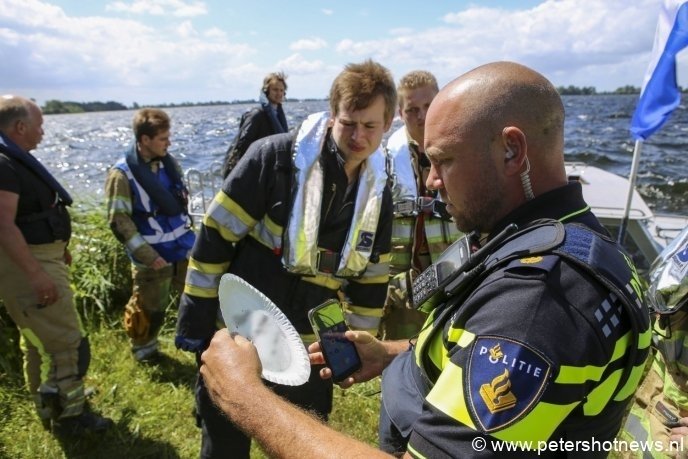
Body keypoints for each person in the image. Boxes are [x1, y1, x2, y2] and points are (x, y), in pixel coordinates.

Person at [196, 61, 652, 458]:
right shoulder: (557, 239)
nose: (431, 182)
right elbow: (476, 345)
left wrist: (246, 398)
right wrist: (391, 353)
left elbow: (511, 340)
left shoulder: (539, 303)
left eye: (443, 160)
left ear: (512, 151)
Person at [175, 59, 396, 458]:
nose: (358, 136)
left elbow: (372, 278)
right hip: (241, 334)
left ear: (388, 124)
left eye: (370, 126)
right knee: (224, 442)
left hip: (310, 350)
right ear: (332, 116)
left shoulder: (381, 193)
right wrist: (198, 325)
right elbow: (213, 241)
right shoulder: (273, 159)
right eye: (349, 122)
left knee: (302, 442)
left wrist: (358, 345)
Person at [0, 95, 113, 435]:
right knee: (68, 344)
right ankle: (71, 418)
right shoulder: (4, 164)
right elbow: (4, 224)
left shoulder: (11, 161)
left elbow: (28, 215)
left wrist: (58, 247)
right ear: (20, 127)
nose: (44, 131)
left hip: (39, 257)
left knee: (36, 342)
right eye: (40, 124)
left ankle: (49, 403)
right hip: (29, 265)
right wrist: (36, 273)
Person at [105, 108, 195, 362]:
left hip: (183, 249)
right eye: (163, 138)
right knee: (149, 308)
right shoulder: (121, 175)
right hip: (153, 257)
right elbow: (119, 221)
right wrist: (147, 255)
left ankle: (199, 342)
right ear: (145, 140)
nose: (169, 143)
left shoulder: (168, 163)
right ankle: (145, 353)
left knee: (197, 298)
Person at [380, 70, 463, 340]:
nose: (422, 116)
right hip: (404, 284)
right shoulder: (383, 160)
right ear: (400, 114)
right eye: (412, 109)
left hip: (458, 275)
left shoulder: (466, 151)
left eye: (429, 106)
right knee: (400, 359)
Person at [221, 71, 289, 178]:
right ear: (266, 91)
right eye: (275, 89)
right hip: (255, 173)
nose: (279, 93)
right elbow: (243, 145)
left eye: (281, 90)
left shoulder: (279, 116)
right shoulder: (256, 115)